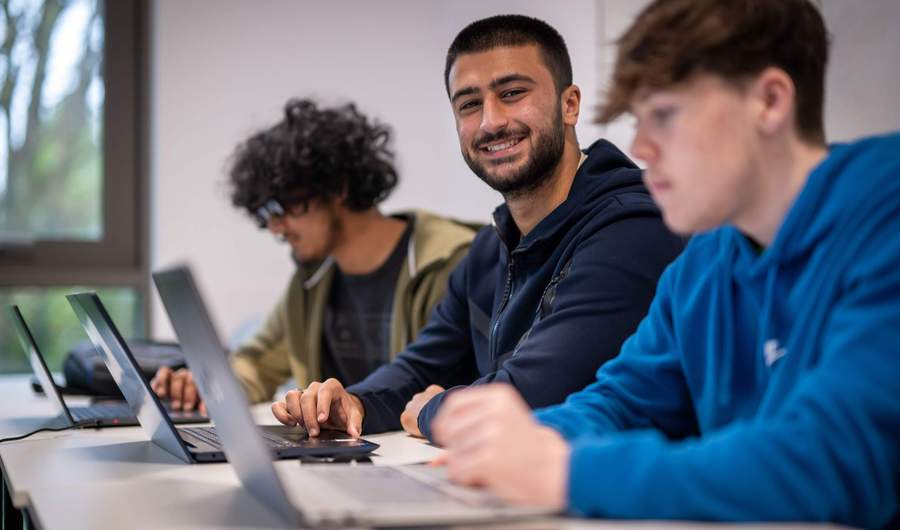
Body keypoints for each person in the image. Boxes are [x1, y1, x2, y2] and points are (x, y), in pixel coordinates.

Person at [431, 1, 900, 527]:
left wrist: (566, 471)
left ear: (769, 102)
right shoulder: (703, 263)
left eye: (666, 116)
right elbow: (622, 401)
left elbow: (835, 461)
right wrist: (510, 445)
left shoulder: (887, 215)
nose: (641, 148)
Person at [271, 15, 684, 441]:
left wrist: (434, 410)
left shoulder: (632, 228)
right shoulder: (489, 249)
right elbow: (421, 367)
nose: (490, 121)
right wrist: (353, 402)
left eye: (512, 93)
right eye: (469, 104)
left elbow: (540, 393)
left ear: (570, 104)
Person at [151, 98, 477, 412]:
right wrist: (204, 387)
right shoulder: (314, 278)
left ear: (337, 187)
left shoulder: (447, 263)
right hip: (344, 454)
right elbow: (256, 362)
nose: (276, 229)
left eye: (281, 208)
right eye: (265, 215)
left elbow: (432, 381)